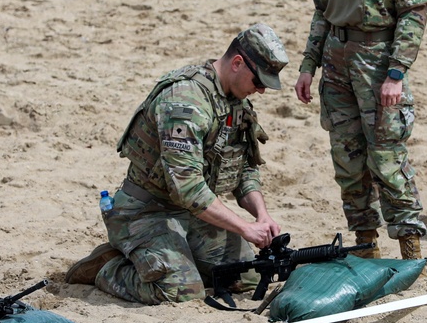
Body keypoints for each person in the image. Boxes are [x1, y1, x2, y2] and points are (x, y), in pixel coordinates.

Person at [65, 24, 288, 305]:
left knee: (246, 277)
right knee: (181, 291)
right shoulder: (185, 101)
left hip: (194, 214)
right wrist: (244, 228)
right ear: (237, 63)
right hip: (146, 212)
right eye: (259, 82)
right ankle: (107, 267)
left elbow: (244, 169)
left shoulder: (235, 102)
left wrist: (261, 215)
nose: (261, 91)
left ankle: (180, 258)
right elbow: (187, 187)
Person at [293, 0, 427, 260]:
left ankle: (409, 245)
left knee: (386, 156)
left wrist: (396, 72)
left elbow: (413, 13)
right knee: (348, 159)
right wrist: (307, 66)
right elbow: (321, 10)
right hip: (335, 61)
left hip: (377, 60)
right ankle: (365, 243)